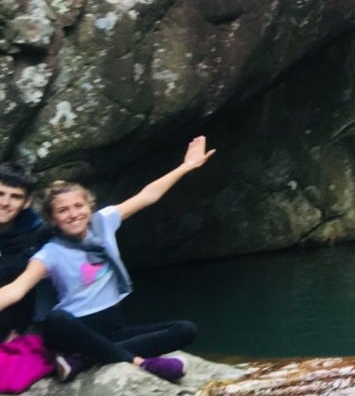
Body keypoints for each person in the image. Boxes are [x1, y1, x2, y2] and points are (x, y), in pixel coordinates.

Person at [0, 138, 214, 382]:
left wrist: (186, 166)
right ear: (52, 219)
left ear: (89, 206)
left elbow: (147, 196)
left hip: (112, 326)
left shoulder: (104, 222)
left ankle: (84, 358)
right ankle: (141, 362)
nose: (73, 214)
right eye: (63, 211)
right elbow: (17, 289)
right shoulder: (50, 252)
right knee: (56, 320)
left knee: (185, 330)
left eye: (78, 206)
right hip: (72, 329)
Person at [0, 165, 51, 341]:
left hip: (15, 324)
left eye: (15, 197)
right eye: (0, 194)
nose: (5, 203)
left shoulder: (37, 233)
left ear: (27, 202)